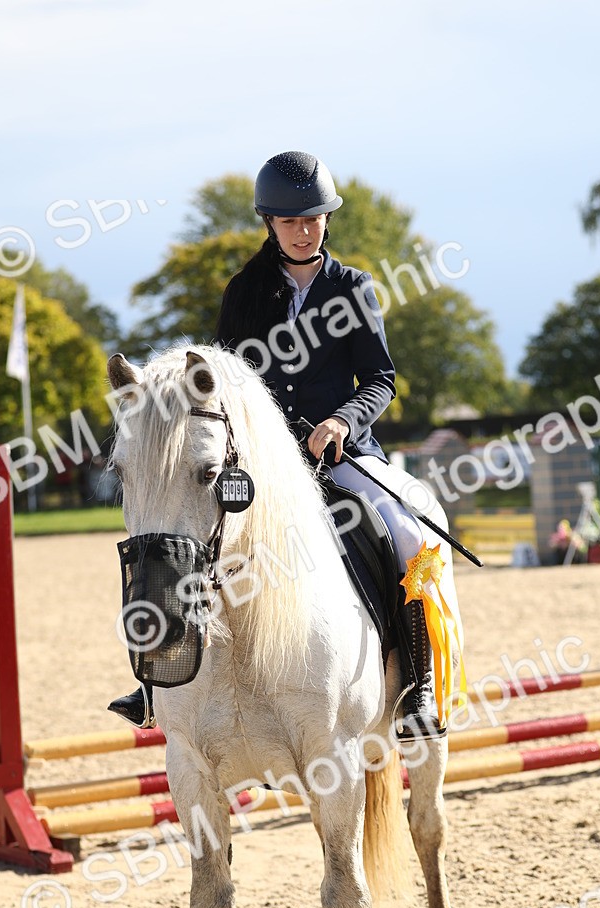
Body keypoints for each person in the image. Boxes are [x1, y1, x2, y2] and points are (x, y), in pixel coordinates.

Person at [110, 150, 457, 740]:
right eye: (291, 221)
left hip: (341, 456)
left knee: (402, 530)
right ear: (268, 223)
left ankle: (418, 685)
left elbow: (380, 380)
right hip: (265, 462)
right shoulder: (243, 291)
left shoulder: (356, 289)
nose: (304, 230)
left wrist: (342, 423)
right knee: (182, 533)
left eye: (315, 218)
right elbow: (215, 383)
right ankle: (157, 682)